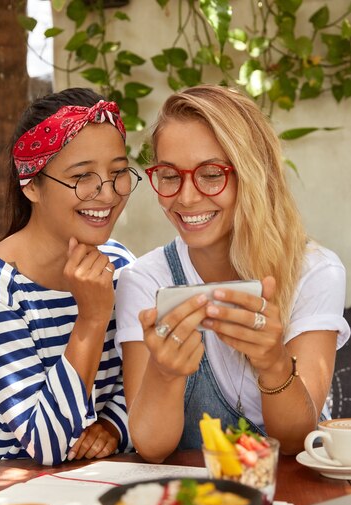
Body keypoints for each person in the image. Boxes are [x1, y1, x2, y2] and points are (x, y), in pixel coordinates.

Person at [115, 85, 350, 463]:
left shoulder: (315, 271)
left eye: (210, 174)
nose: (186, 197)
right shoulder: (144, 281)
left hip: (290, 500)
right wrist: (165, 373)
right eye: (169, 175)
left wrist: (274, 364)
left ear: (253, 175)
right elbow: (151, 447)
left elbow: (294, 441)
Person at [0, 87, 141, 505]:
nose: (106, 193)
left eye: (118, 172)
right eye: (82, 176)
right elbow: (48, 442)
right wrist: (92, 317)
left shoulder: (121, 264)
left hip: (87, 494)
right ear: (30, 184)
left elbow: (142, 378)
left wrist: (112, 426)